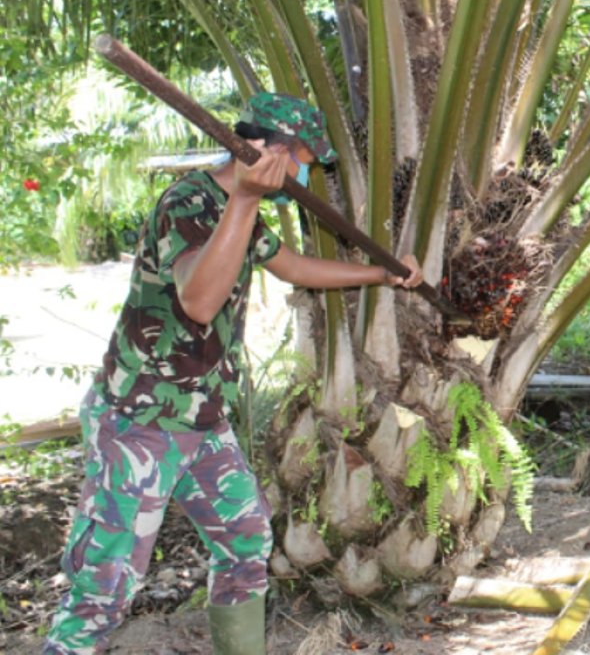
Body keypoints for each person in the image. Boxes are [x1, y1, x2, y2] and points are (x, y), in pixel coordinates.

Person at [44, 93, 424, 655]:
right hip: (140, 422)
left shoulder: (243, 210)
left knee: (246, 540)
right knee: (107, 580)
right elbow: (198, 300)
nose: (299, 172)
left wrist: (382, 274)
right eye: (298, 159)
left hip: (202, 423)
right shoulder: (189, 202)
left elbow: (292, 265)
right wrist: (245, 199)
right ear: (269, 148)